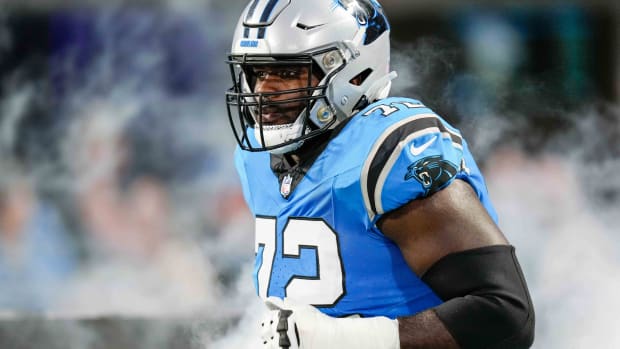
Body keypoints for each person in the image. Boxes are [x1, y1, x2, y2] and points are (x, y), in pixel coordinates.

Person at [225, 1, 535, 348]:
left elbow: (506, 316)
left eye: (287, 73)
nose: (263, 91)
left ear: (351, 71)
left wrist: (337, 338)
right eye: (256, 72)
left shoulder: (388, 151)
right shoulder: (255, 155)